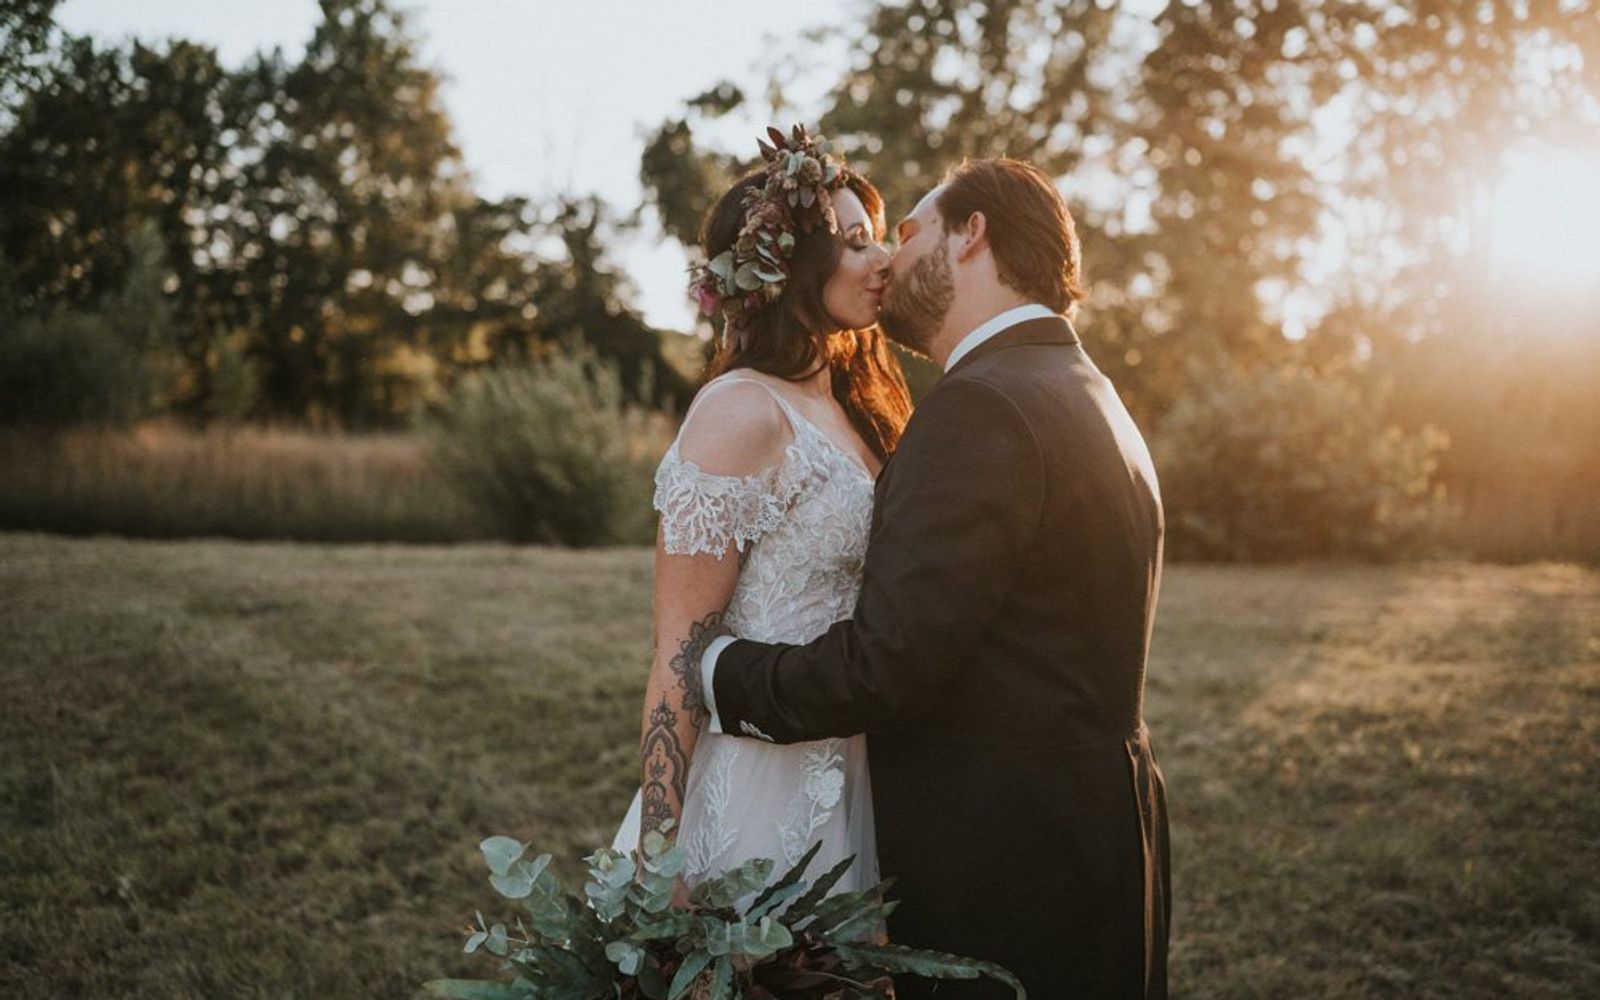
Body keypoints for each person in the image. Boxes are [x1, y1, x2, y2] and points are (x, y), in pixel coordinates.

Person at [694, 158, 1170, 998]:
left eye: (904, 229)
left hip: (1008, 864)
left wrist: (720, 672)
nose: (885, 258)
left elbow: (888, 664)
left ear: (971, 233)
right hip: (1097, 836)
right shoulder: (1081, 385)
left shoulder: (983, 404)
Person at [612, 126, 911, 904]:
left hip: (853, 771)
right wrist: (657, 853)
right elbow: (680, 653)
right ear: (786, 266)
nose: (881, 261)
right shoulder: (741, 411)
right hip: (757, 787)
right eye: (852, 243)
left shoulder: (850, 407)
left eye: (875, 240)